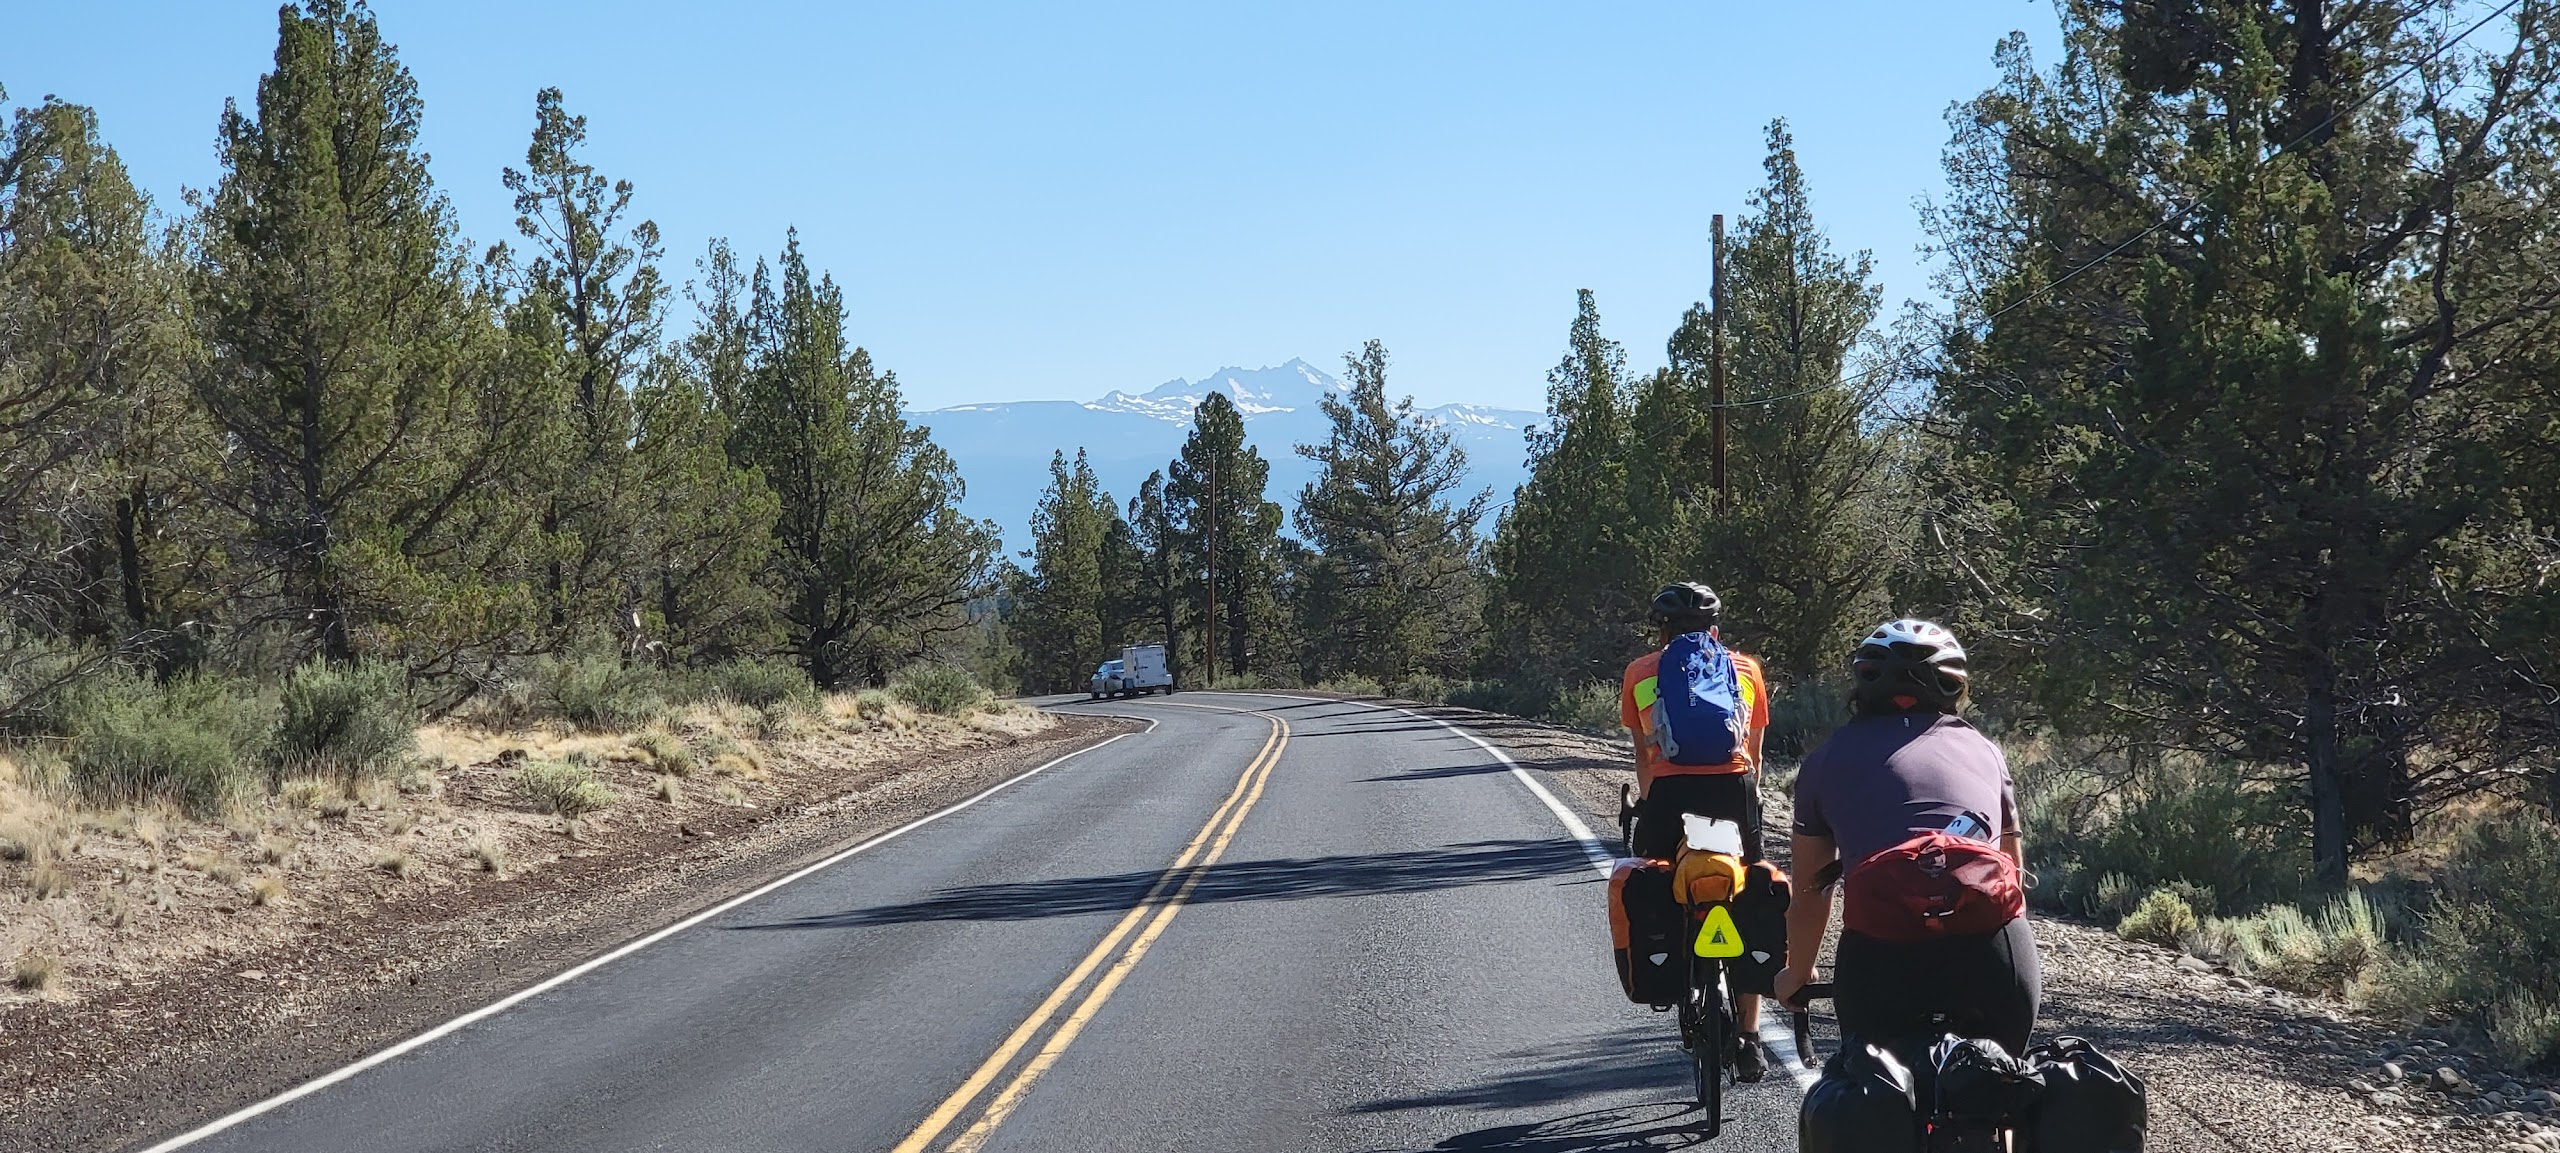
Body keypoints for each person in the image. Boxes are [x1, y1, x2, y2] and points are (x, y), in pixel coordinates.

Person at [1773, 619, 2040, 1055]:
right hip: (1990, 949)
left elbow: (1810, 892)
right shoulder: (1986, 752)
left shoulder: (1825, 762)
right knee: (2008, 1084)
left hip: (1882, 953)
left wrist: (1796, 974)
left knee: (1873, 1093)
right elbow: (2012, 873)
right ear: (1954, 688)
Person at [1621, 581, 1773, 1080]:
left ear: (1661, 629)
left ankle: (1676, 970)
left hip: (1669, 794)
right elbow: (1753, 753)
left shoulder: (1642, 673)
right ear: (1715, 627)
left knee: (1660, 876)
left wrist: (1649, 805)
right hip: (1734, 791)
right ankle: (1750, 1038)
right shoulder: (1746, 671)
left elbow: (1645, 754)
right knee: (1750, 891)